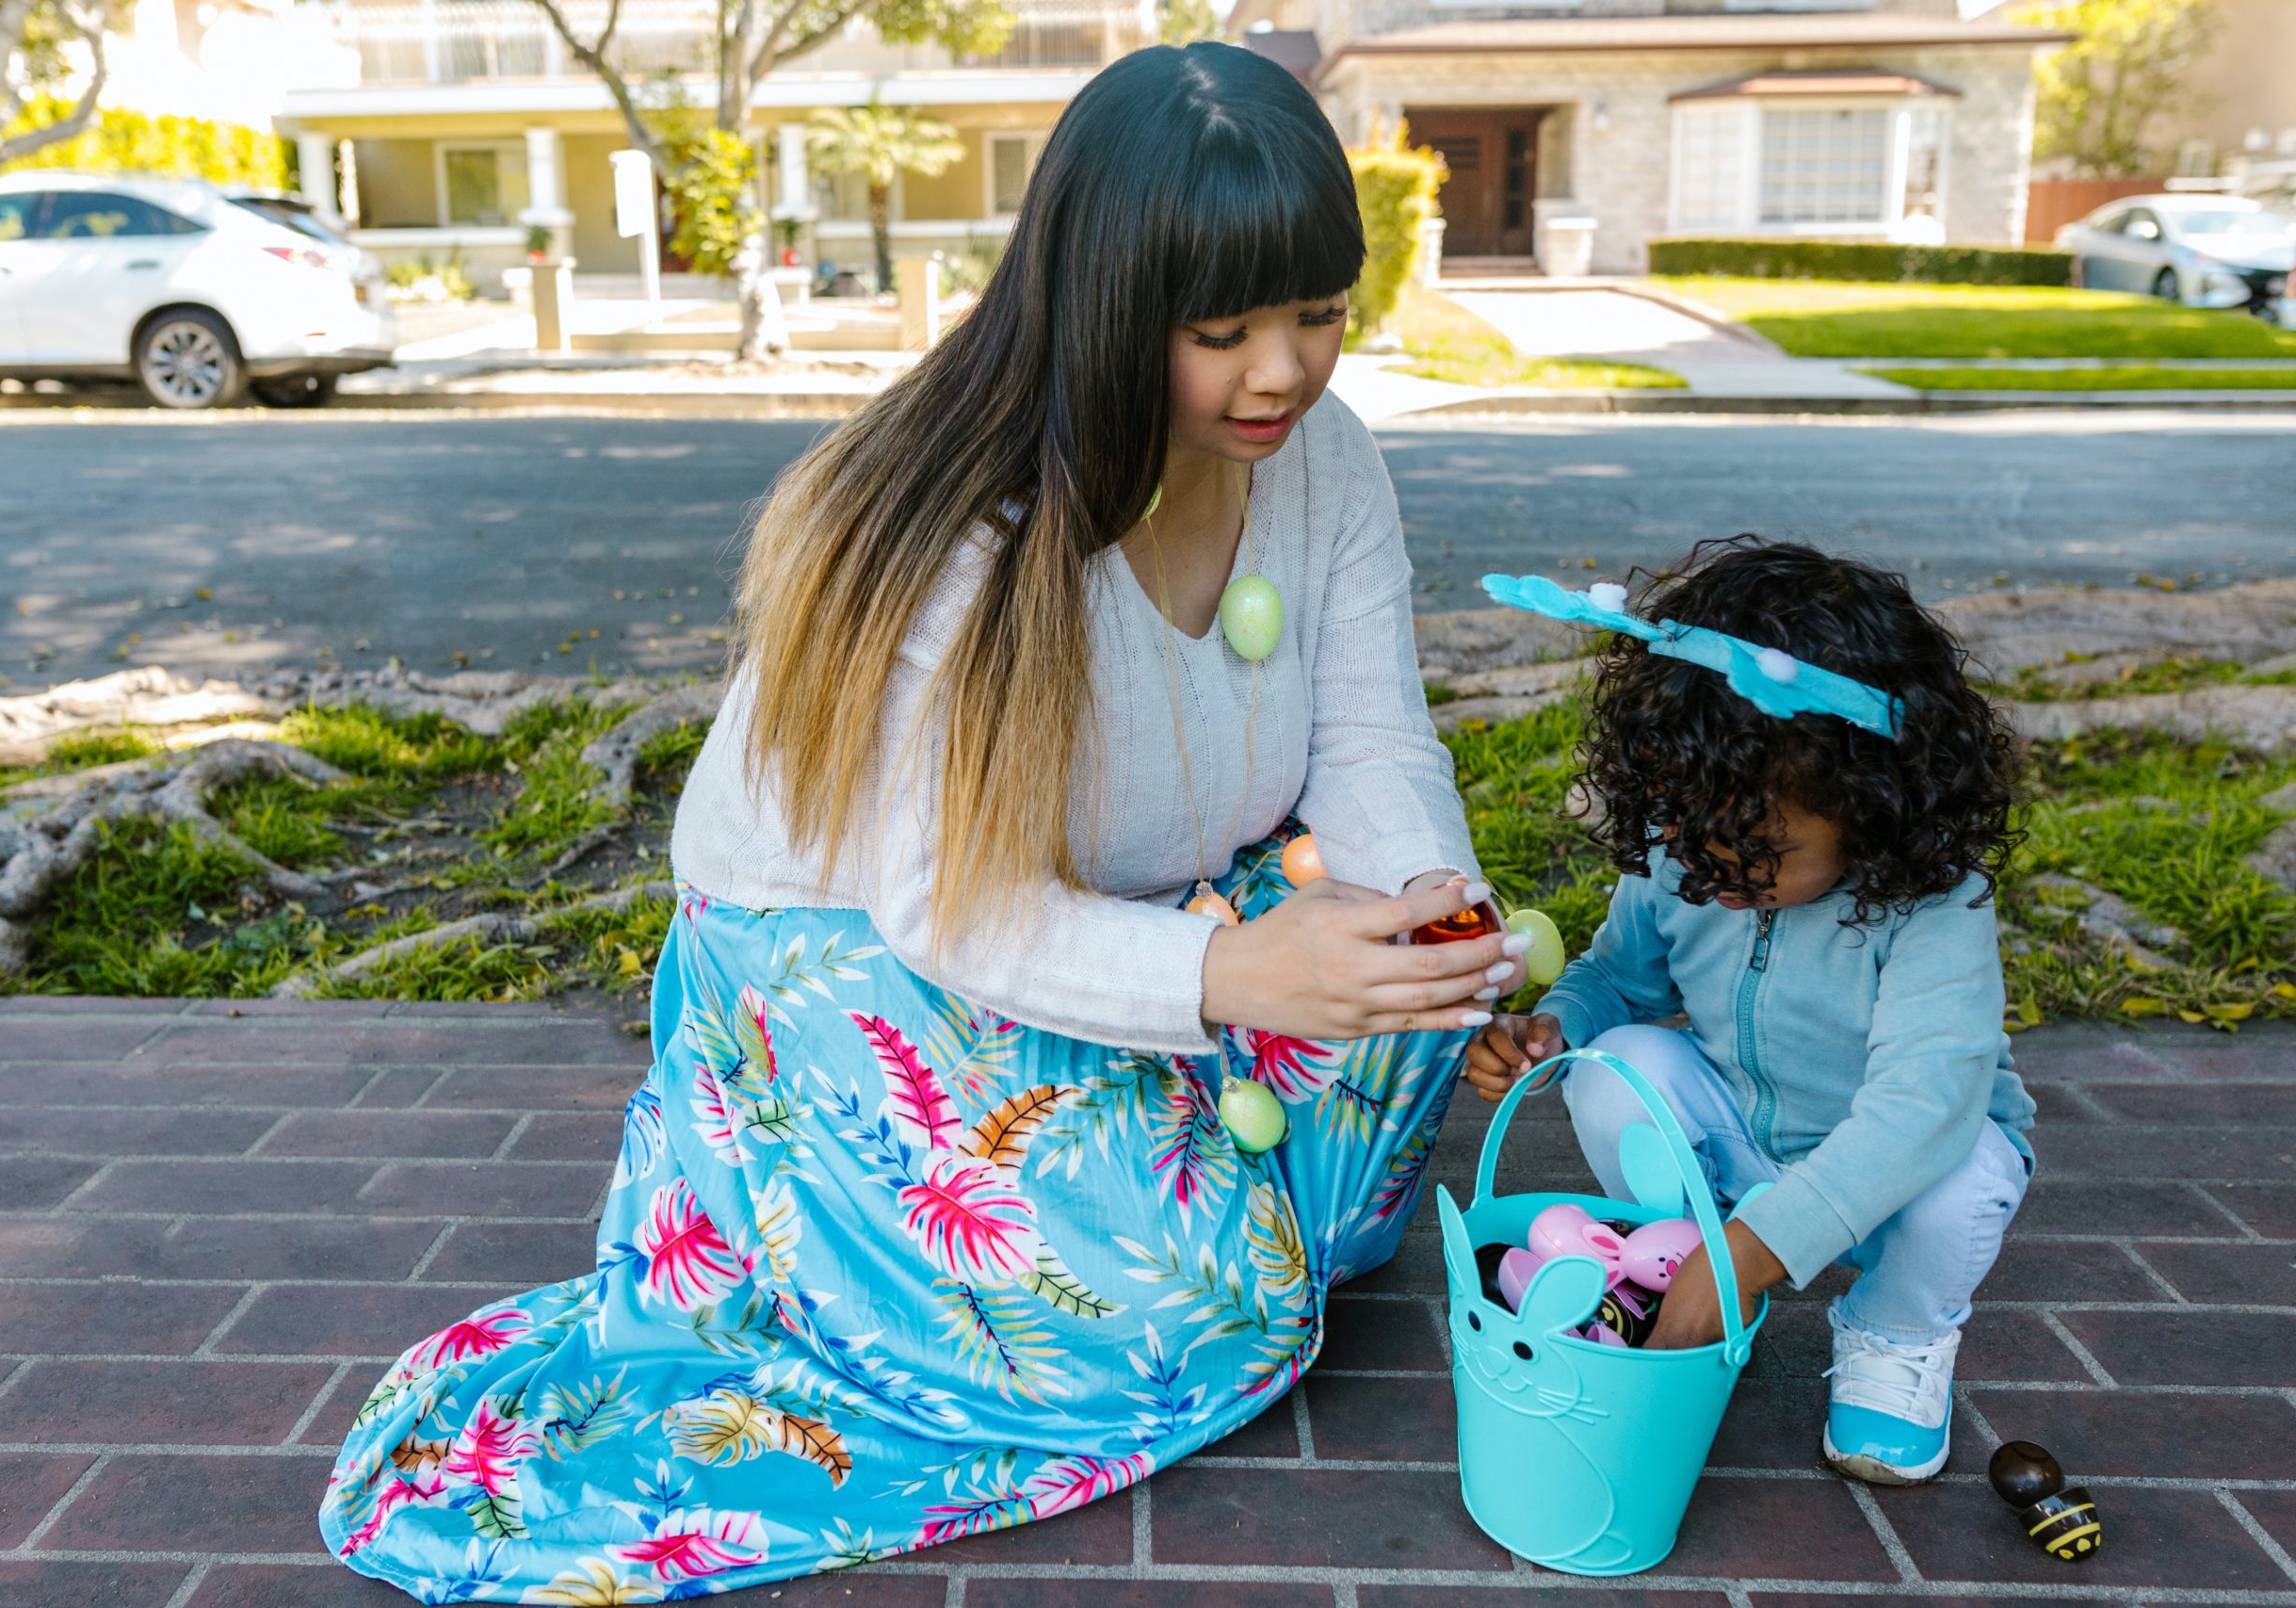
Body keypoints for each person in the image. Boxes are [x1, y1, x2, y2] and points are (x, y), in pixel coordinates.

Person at [321, 42, 1527, 1601]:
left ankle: (1203, 1147)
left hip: (1152, 898)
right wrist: (1231, 980)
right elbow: (954, 913)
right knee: (1196, 1322)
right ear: (1103, 307)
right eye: (1222, 331)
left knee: (1413, 982)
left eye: (1319, 313)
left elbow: (1368, 736)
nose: (1286, 371)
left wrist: (1440, 905)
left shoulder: (1326, 462)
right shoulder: (969, 534)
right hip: (865, 952)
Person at [1463, 538, 2033, 1486]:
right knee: (1627, 1064)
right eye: (1690, 837)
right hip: (1740, 1152)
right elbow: (1620, 980)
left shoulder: (1935, 905)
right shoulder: (1689, 856)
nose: (1715, 874)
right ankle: (1673, 1266)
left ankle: (1893, 1336)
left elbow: (1919, 1108)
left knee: (1967, 1165)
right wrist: (1556, 1027)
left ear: (1872, 805)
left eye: (1760, 851)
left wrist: (1747, 1255)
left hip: (1893, 1179)